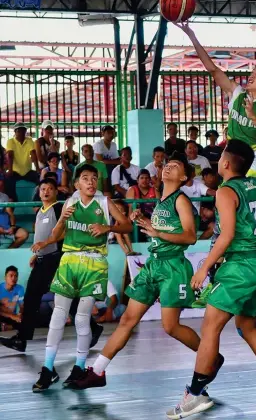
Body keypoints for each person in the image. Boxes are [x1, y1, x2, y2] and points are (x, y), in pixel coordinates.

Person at [166, 140, 256, 419]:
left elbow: (225, 236)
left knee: (211, 326)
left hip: (240, 266)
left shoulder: (226, 192)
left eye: (221, 157)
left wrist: (204, 269)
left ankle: (195, 393)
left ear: (225, 163)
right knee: (246, 326)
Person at [69, 152, 224, 390]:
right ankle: (97, 371)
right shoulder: (161, 201)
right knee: (127, 320)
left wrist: (157, 232)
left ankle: (211, 356)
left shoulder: (180, 200)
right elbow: (159, 228)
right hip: (153, 265)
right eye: (167, 165)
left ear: (183, 177)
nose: (168, 167)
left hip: (173, 267)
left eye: (174, 166)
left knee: (170, 327)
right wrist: (142, 219)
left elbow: (190, 237)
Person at [176, 21, 256, 302]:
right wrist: (192, 34)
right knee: (223, 223)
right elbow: (213, 69)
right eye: (252, 71)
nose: (252, 75)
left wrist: (254, 117)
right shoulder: (238, 94)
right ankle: (210, 284)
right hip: (237, 166)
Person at [31, 164, 132, 392]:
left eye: (94, 178)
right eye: (85, 178)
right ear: (77, 183)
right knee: (58, 315)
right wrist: (48, 239)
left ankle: (78, 367)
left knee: (81, 318)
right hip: (70, 261)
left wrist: (107, 227)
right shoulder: (70, 202)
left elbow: (126, 225)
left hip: (94, 263)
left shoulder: (105, 202)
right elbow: (58, 232)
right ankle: (48, 369)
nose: (91, 182)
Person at [0, 178, 103, 353]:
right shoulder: (40, 211)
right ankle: (22, 339)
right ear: (39, 192)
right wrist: (37, 254)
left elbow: (64, 233)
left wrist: (45, 247)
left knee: (57, 298)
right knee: (40, 298)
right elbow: (41, 237)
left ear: (56, 192)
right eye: (42, 189)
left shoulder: (58, 209)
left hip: (54, 260)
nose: (46, 191)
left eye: (49, 189)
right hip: (42, 259)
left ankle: (93, 328)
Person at [5, 122, 40, 200]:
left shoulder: (29, 140)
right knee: (7, 180)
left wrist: (37, 168)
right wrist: (10, 170)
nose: (22, 133)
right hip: (15, 171)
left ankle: (38, 199)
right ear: (15, 132)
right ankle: (12, 199)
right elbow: (10, 155)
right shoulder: (10, 141)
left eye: (24, 130)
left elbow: (33, 154)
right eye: (19, 131)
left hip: (28, 171)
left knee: (39, 178)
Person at [181, 165, 216, 240]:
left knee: (213, 226)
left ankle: (198, 243)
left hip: (197, 217)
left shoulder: (198, 184)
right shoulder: (179, 186)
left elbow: (210, 192)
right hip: (182, 218)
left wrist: (225, 193)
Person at [0, 266, 24, 331]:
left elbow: (22, 306)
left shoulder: (20, 289)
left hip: (12, 317)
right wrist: (11, 316)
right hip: (3, 315)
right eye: (11, 275)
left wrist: (20, 314)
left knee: (26, 321)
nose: (13, 278)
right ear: (5, 277)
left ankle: (5, 327)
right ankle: (6, 327)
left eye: (16, 276)